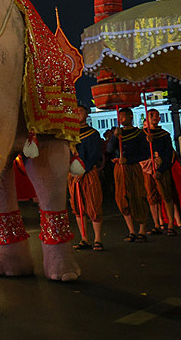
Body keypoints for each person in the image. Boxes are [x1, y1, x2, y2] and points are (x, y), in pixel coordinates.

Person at [107, 107, 150, 242]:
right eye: (119, 117)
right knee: (122, 198)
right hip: (120, 169)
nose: (121, 119)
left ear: (130, 116)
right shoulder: (118, 133)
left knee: (138, 196)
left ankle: (142, 230)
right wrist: (114, 137)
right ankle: (131, 231)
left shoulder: (138, 134)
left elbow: (146, 153)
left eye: (123, 116)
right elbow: (109, 150)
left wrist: (129, 160)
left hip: (133, 168)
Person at [141, 109, 180, 236]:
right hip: (147, 169)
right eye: (151, 115)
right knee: (151, 197)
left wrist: (161, 169)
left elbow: (168, 154)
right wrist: (147, 142)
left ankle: (170, 224)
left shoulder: (164, 135)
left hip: (161, 168)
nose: (154, 117)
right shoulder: (142, 134)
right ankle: (157, 224)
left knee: (166, 194)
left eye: (156, 115)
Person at [70, 105, 104, 251]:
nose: (78, 113)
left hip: (88, 172)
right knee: (78, 207)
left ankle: (97, 239)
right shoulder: (69, 134)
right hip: (73, 175)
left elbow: (95, 155)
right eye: (75, 111)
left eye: (81, 111)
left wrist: (83, 171)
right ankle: (84, 238)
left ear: (87, 114)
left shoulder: (92, 134)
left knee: (93, 204)